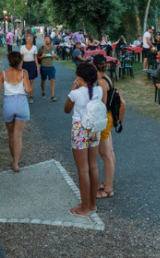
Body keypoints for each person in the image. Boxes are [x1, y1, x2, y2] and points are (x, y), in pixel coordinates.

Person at [64, 63, 104, 217]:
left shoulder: (76, 93)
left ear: (79, 78)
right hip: (95, 129)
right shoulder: (99, 90)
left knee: (83, 170)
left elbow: (67, 109)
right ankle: (91, 204)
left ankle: (84, 209)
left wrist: (73, 89)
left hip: (80, 129)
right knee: (93, 167)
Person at [0, 52, 32, 172]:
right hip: (21, 103)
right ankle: (16, 163)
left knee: (11, 135)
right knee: (18, 136)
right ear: (20, 61)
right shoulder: (24, 72)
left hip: (8, 104)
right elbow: (28, 89)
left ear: (9, 61)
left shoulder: (2, 74)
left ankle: (13, 159)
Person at [92, 55, 123, 200]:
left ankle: (109, 189)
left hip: (104, 119)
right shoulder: (107, 78)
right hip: (110, 118)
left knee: (106, 156)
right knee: (110, 152)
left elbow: (102, 105)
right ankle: (107, 182)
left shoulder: (100, 82)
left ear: (94, 65)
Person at [37, 36, 58, 102]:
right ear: (44, 40)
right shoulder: (41, 48)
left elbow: (57, 57)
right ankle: (43, 91)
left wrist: (55, 56)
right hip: (43, 67)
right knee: (43, 81)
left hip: (51, 67)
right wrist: (41, 56)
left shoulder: (53, 48)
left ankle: (53, 96)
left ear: (50, 41)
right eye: (46, 39)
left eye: (48, 39)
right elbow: (37, 57)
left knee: (52, 80)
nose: (47, 40)